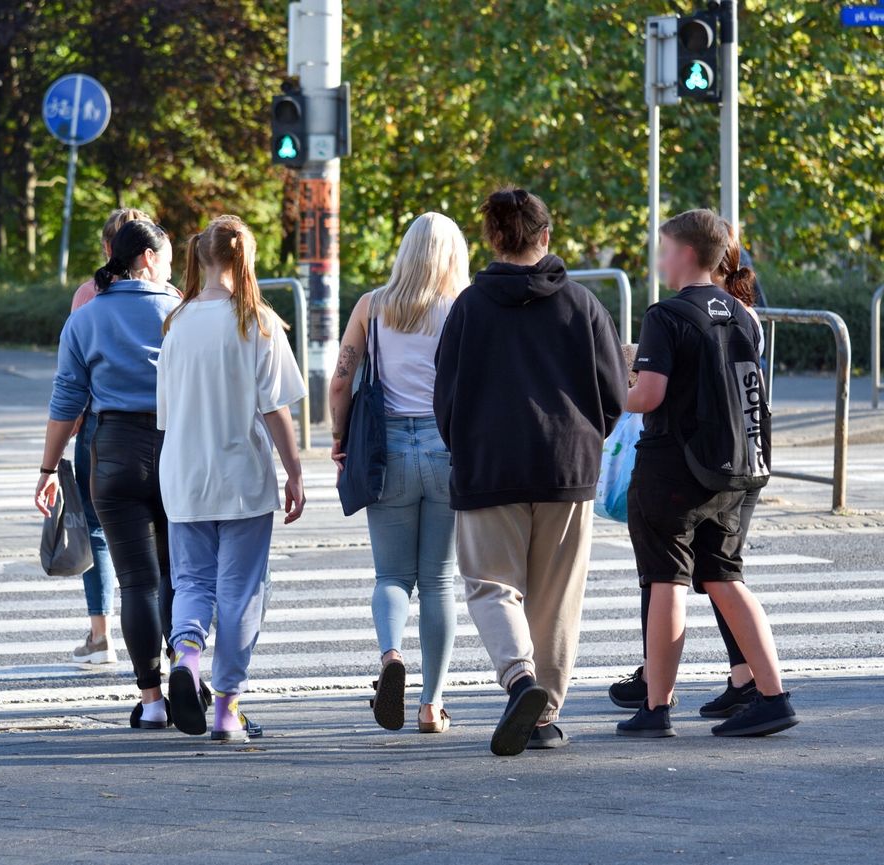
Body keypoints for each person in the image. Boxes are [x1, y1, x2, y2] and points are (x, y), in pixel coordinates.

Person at [434, 188, 627, 756]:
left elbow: (444, 393)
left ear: (492, 240)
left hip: (488, 464)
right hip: (567, 466)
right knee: (556, 598)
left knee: (492, 586)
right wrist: (586, 439)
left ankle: (520, 680)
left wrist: (464, 443)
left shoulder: (469, 307)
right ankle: (546, 717)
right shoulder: (583, 305)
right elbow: (613, 392)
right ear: (546, 236)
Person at [617, 209, 797, 739]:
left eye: (665, 248)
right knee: (724, 577)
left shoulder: (666, 314)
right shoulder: (742, 314)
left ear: (686, 253)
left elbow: (648, 395)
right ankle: (772, 696)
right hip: (732, 468)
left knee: (666, 579)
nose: (660, 258)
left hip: (673, 465)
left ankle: (657, 708)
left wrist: (607, 398)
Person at [160, 216, 307, 744]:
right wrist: (293, 472)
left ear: (199, 257)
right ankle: (226, 710)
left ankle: (188, 655)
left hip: (183, 474)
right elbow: (276, 411)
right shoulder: (259, 323)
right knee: (242, 592)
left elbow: (166, 413)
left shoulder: (175, 324)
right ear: (245, 257)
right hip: (242, 477)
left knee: (192, 582)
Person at [34, 220, 181, 729]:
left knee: (136, 581)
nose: (169, 268)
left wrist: (48, 468)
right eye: (164, 257)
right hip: (176, 448)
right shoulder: (177, 311)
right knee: (179, 575)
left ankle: (154, 702)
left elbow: (66, 401)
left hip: (111, 449)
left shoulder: (86, 317)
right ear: (145, 258)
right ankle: (189, 667)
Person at [329, 213, 469, 734]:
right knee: (437, 582)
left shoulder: (373, 305)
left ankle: (391, 659)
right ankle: (432, 706)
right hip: (446, 448)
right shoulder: (461, 310)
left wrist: (340, 440)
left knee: (391, 576)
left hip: (385, 448)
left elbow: (341, 382)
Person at [65, 207, 151, 665]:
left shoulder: (88, 295)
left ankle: (101, 635)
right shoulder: (170, 295)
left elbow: (72, 374)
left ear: (107, 249)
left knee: (97, 531)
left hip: (99, 426)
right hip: (158, 427)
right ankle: (164, 630)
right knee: (158, 530)